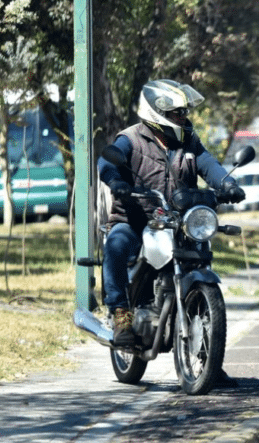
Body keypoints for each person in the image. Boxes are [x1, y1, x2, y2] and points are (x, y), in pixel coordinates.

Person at [97, 79, 245, 349]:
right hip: (135, 219)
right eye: (177, 112)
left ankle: (210, 358)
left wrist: (228, 184)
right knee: (116, 248)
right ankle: (121, 318)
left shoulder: (189, 142)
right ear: (157, 113)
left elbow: (209, 165)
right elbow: (108, 161)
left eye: (184, 112)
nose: (183, 117)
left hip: (179, 222)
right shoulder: (130, 138)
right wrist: (116, 181)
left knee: (201, 259)